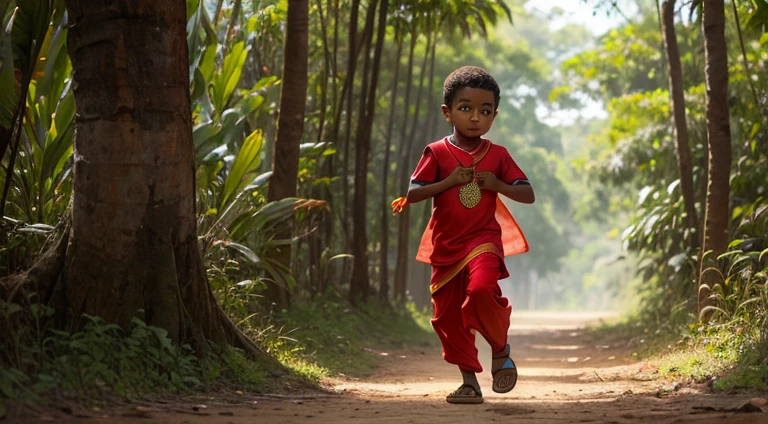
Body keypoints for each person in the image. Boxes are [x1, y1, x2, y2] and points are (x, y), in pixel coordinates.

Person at [391, 66, 535, 404]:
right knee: (449, 317)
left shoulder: (498, 155)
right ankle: (469, 383)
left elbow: (527, 193)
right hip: (445, 247)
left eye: (485, 111)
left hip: (483, 240)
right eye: (465, 108)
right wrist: (450, 182)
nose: (475, 118)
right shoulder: (436, 152)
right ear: (448, 112)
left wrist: (499, 185)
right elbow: (414, 192)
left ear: (494, 116)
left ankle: (500, 348)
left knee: (483, 289)